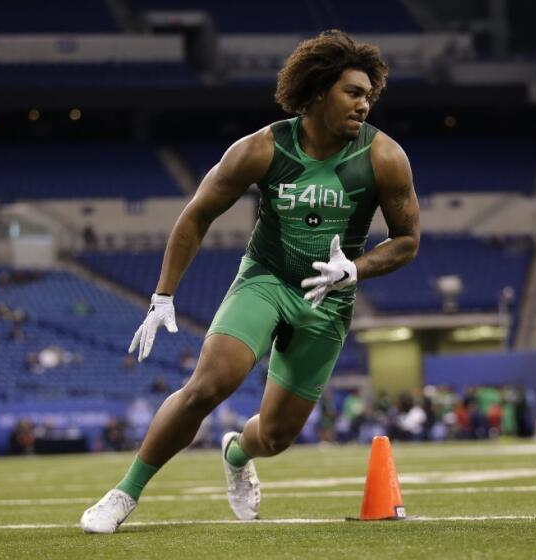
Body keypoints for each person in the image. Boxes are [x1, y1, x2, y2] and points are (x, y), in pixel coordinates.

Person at [80, 30, 420, 534]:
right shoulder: (261, 148)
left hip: (328, 300)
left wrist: (357, 268)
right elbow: (196, 216)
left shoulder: (384, 157)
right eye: (353, 92)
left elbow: (407, 239)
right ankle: (123, 494)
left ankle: (237, 450)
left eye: (369, 95)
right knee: (209, 386)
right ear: (321, 90)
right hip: (266, 279)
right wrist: (163, 294)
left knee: (277, 436)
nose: (364, 104)